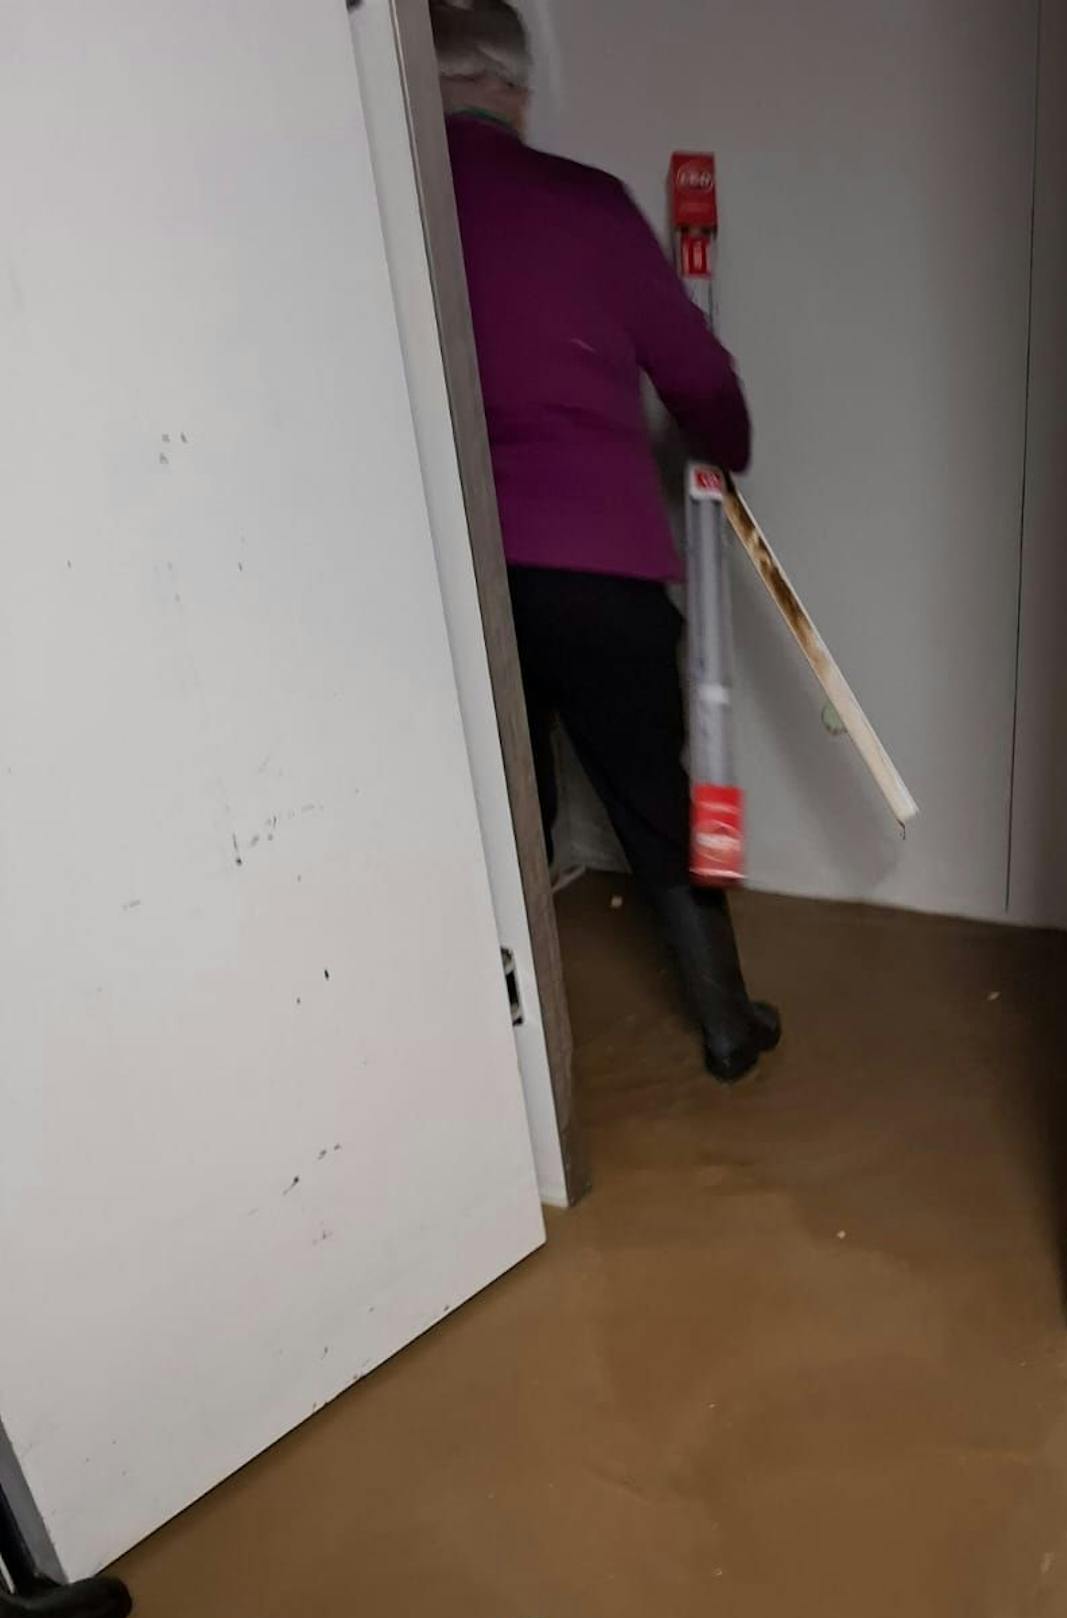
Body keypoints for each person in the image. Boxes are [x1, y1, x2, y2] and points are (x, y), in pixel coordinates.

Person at [431, 0, 780, 1082]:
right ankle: (725, 1023)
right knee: (645, 789)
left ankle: (503, 1060)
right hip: (595, 566)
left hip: (455, 565)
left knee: (502, 802)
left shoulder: (397, 210)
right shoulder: (583, 205)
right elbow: (702, 384)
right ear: (515, 86)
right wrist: (721, 443)